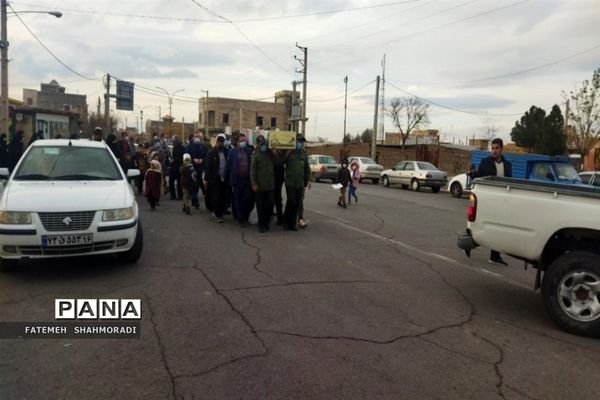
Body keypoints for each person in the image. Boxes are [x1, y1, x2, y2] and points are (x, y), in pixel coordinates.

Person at [476, 138, 513, 266]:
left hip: (502, 201)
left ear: (501, 149)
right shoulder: (485, 162)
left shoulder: (507, 165)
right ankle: (469, 242)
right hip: (488, 199)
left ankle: (495, 256)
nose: (494, 151)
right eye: (492, 148)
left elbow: (510, 182)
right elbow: (477, 177)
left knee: (499, 228)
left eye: (497, 148)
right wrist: (472, 173)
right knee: (481, 223)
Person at [283, 135, 311, 231]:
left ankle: (292, 224)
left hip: (300, 182)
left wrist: (308, 180)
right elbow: (281, 162)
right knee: (291, 201)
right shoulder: (289, 152)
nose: (300, 144)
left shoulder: (304, 154)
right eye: (299, 141)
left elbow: (307, 168)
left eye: (302, 142)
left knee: (296, 203)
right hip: (290, 182)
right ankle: (285, 221)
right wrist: (287, 154)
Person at [226, 133, 254, 226]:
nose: (243, 143)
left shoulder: (249, 151)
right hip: (237, 180)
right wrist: (226, 177)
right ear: (237, 142)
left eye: (244, 141)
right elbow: (228, 166)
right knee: (237, 199)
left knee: (247, 198)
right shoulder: (232, 152)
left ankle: (245, 215)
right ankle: (240, 218)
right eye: (241, 141)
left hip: (247, 180)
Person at [251, 135, 276, 233]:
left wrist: (274, 152)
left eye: (264, 144)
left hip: (270, 185)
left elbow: (278, 161)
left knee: (269, 204)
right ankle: (261, 225)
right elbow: (252, 171)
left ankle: (266, 222)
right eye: (262, 144)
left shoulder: (270, 154)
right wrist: (254, 184)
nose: (263, 146)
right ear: (258, 144)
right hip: (259, 186)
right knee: (260, 207)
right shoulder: (255, 155)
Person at [204, 134, 229, 223]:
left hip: (224, 178)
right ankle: (219, 215)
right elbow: (208, 167)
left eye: (222, 143)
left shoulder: (226, 152)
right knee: (216, 196)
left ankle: (221, 211)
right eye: (219, 143)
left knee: (223, 196)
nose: (221, 145)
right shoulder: (211, 153)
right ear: (217, 143)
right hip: (215, 178)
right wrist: (206, 179)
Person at [185, 132, 208, 209]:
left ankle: (195, 201)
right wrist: (193, 160)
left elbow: (207, 157)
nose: (197, 138)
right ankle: (195, 201)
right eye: (196, 136)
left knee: (197, 184)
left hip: (200, 168)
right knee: (194, 184)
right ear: (193, 137)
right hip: (192, 168)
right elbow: (186, 157)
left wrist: (202, 160)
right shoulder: (189, 147)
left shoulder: (203, 147)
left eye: (198, 136)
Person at [169, 135, 185, 200]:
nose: (172, 141)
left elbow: (176, 157)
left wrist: (173, 160)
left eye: (173, 140)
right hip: (180, 167)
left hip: (175, 167)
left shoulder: (176, 147)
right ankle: (180, 196)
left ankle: (173, 196)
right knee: (179, 182)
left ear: (175, 141)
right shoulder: (183, 147)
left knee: (171, 181)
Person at [273, 150, 285, 225]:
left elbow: (282, 162)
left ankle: (280, 219)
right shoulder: (270, 152)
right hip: (270, 178)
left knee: (278, 199)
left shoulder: (283, 153)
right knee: (270, 200)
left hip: (279, 178)